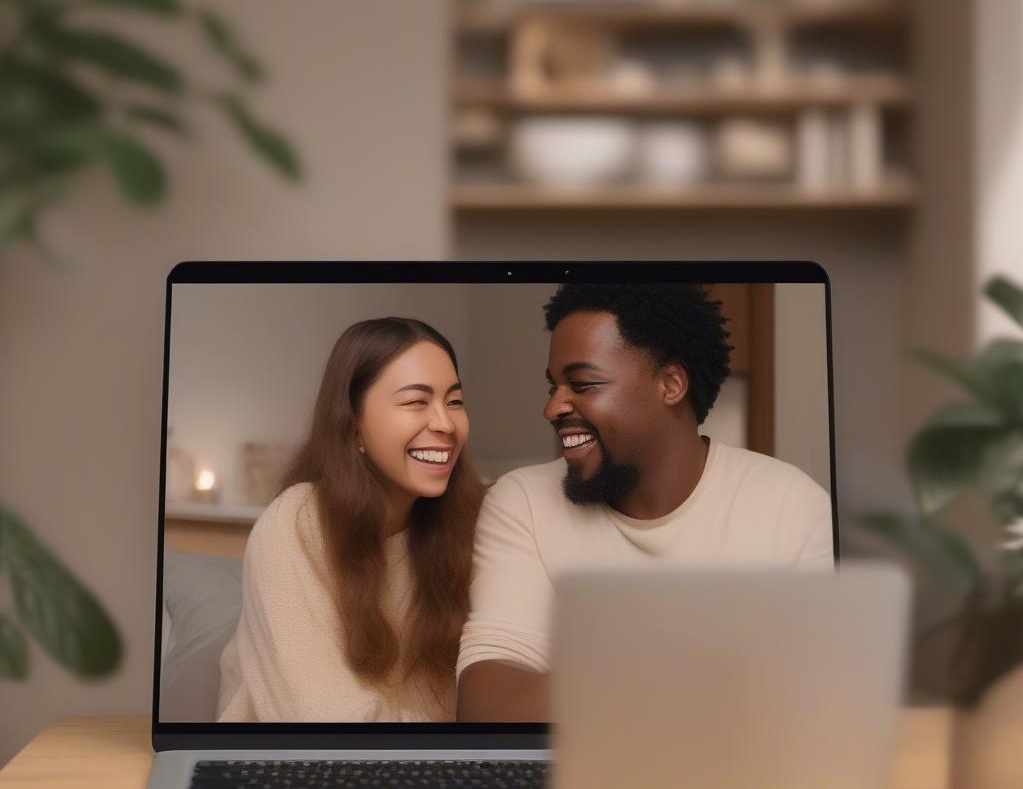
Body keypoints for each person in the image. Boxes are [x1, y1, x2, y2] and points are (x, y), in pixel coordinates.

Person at [456, 283, 834, 722]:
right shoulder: (522, 502)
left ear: (670, 384)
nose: (553, 407)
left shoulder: (790, 506)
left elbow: (813, 707)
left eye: (582, 384)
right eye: (554, 385)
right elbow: (485, 703)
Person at [217, 317, 484, 722]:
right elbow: (321, 721)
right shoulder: (294, 523)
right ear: (354, 423)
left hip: (420, 770)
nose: (445, 424)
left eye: (454, 401)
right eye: (416, 401)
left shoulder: (470, 524)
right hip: (288, 770)